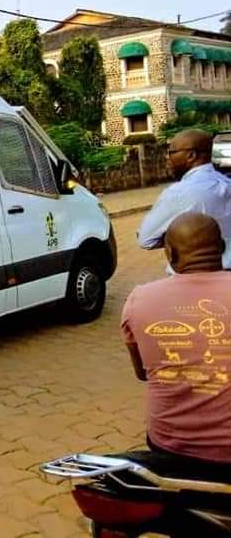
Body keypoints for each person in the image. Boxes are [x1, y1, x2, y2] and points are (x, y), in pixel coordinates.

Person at [121, 212, 231, 466]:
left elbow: (142, 373)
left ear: (169, 253)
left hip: (169, 445)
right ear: (222, 247)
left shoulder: (139, 299)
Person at [137, 128, 231, 270]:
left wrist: (184, 237)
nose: (167, 158)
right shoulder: (227, 183)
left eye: (171, 153)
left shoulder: (179, 193)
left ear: (191, 155)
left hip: (196, 276)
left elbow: (146, 239)